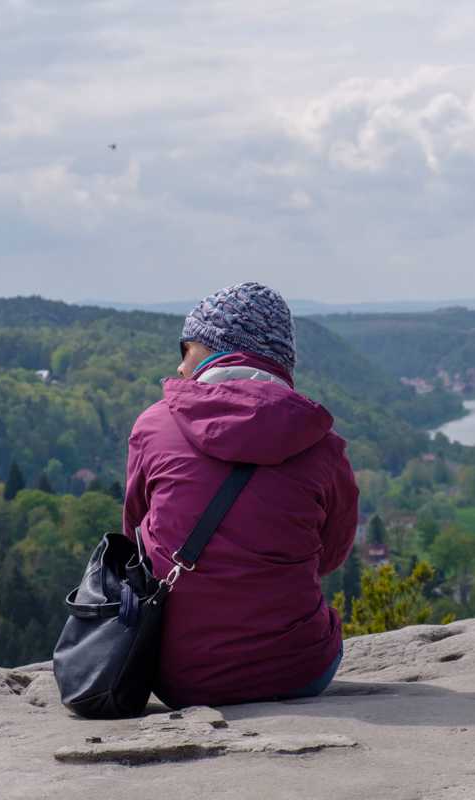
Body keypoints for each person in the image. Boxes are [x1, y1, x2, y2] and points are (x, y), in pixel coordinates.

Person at [123, 281, 359, 707]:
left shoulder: (154, 427)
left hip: (180, 680)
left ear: (213, 351)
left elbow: (137, 540)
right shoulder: (323, 444)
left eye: (187, 350)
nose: (179, 368)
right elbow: (331, 556)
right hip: (301, 670)